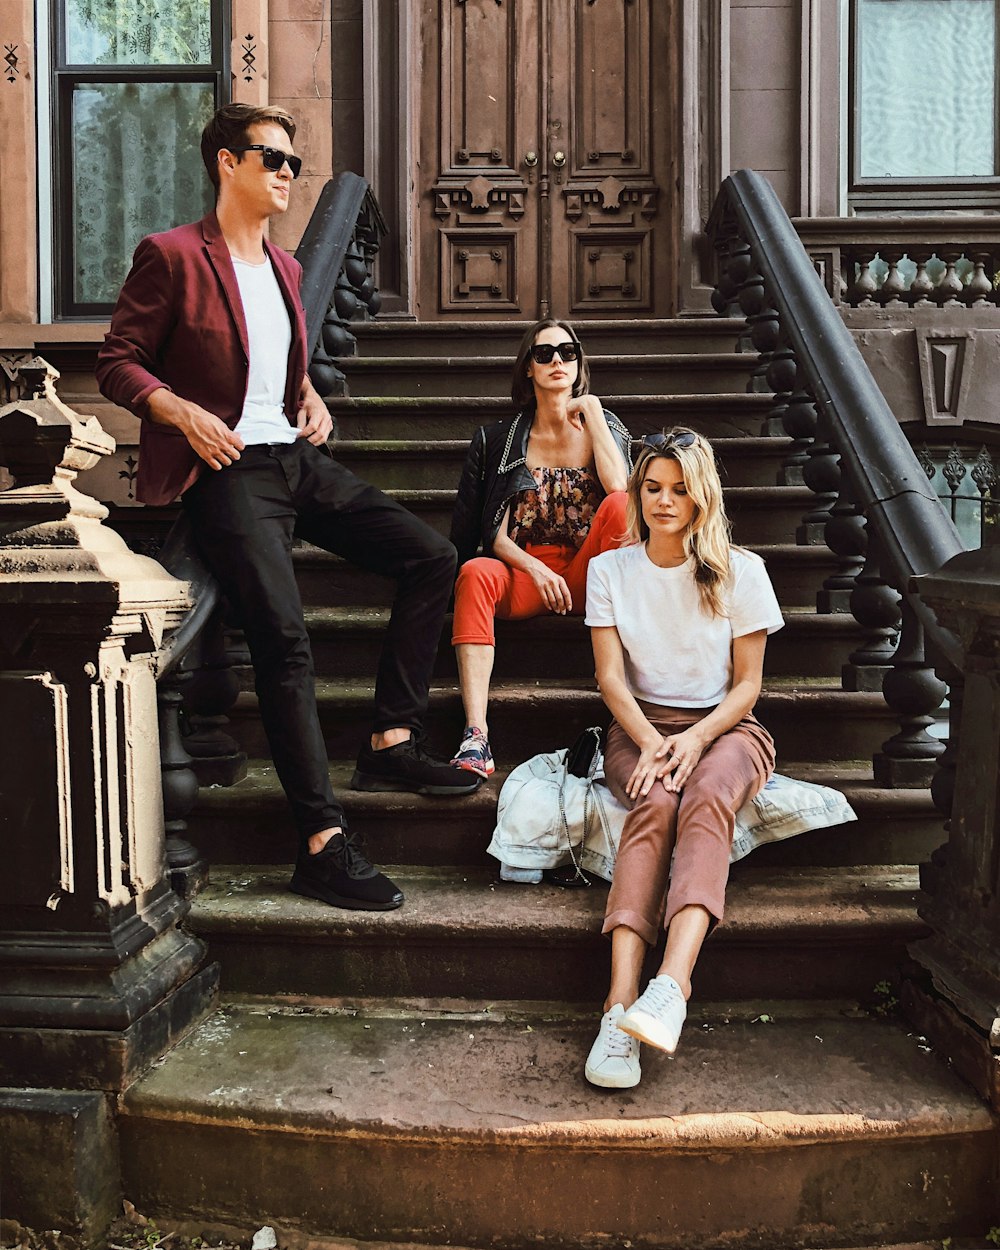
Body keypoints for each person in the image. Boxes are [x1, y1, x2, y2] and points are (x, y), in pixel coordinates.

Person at [96, 103, 478, 915]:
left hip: (296, 458)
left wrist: (307, 394)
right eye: (272, 159)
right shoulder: (171, 256)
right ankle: (320, 844)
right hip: (229, 469)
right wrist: (181, 412)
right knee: (285, 637)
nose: (287, 175)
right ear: (226, 164)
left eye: (294, 163)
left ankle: (391, 739)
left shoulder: (289, 269)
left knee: (431, 556)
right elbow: (117, 361)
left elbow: (273, 363)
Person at [582, 429, 783, 1088]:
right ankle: (617, 1012)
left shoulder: (741, 570)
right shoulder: (610, 569)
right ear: (638, 492)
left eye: (678, 489)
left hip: (727, 729)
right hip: (640, 726)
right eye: (651, 488)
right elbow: (611, 681)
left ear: (701, 496)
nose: (663, 502)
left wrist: (697, 741)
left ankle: (670, 987)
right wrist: (649, 741)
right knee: (655, 801)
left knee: (702, 798)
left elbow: (748, 686)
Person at [448, 319, 632, 777]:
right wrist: (537, 569)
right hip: (527, 575)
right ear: (527, 368)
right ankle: (476, 735)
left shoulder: (602, 425)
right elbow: (492, 534)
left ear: (578, 364)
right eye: (543, 353)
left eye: (567, 353)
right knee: (475, 572)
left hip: (592, 574)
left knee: (623, 505)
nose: (556, 362)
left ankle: (633, 705)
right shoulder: (501, 439)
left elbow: (622, 491)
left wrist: (592, 411)